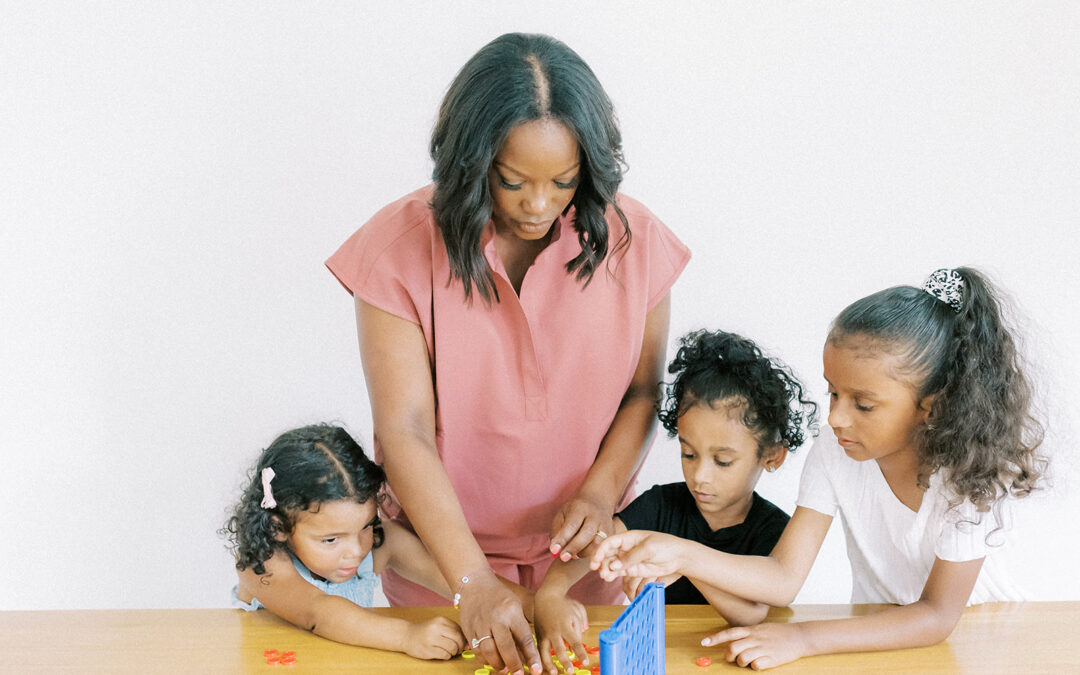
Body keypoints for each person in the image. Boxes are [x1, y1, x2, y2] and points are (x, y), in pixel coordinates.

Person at [326, 32, 690, 675]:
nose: (539, 204)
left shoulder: (634, 242)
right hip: (441, 564)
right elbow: (404, 429)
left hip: (582, 562)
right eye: (512, 181)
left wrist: (600, 495)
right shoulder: (397, 248)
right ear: (472, 162)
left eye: (564, 182)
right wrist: (471, 581)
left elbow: (641, 394)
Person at [590, 268, 1046, 670]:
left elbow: (937, 616)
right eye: (833, 393)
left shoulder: (970, 477)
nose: (836, 418)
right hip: (875, 632)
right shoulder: (836, 450)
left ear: (932, 404)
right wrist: (682, 554)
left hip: (979, 635)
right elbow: (782, 578)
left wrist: (803, 638)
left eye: (863, 404)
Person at [532, 329, 817, 673]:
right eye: (688, 454)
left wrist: (682, 562)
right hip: (663, 658)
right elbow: (598, 543)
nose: (700, 476)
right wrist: (551, 594)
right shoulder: (661, 504)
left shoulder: (775, 529)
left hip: (735, 663)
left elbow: (750, 613)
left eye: (723, 461)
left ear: (772, 456)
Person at [222, 424, 466, 660]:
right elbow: (318, 612)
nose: (356, 551)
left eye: (366, 526)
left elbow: (464, 583)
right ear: (279, 528)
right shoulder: (261, 563)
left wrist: (485, 606)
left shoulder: (381, 542)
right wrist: (407, 636)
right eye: (330, 539)